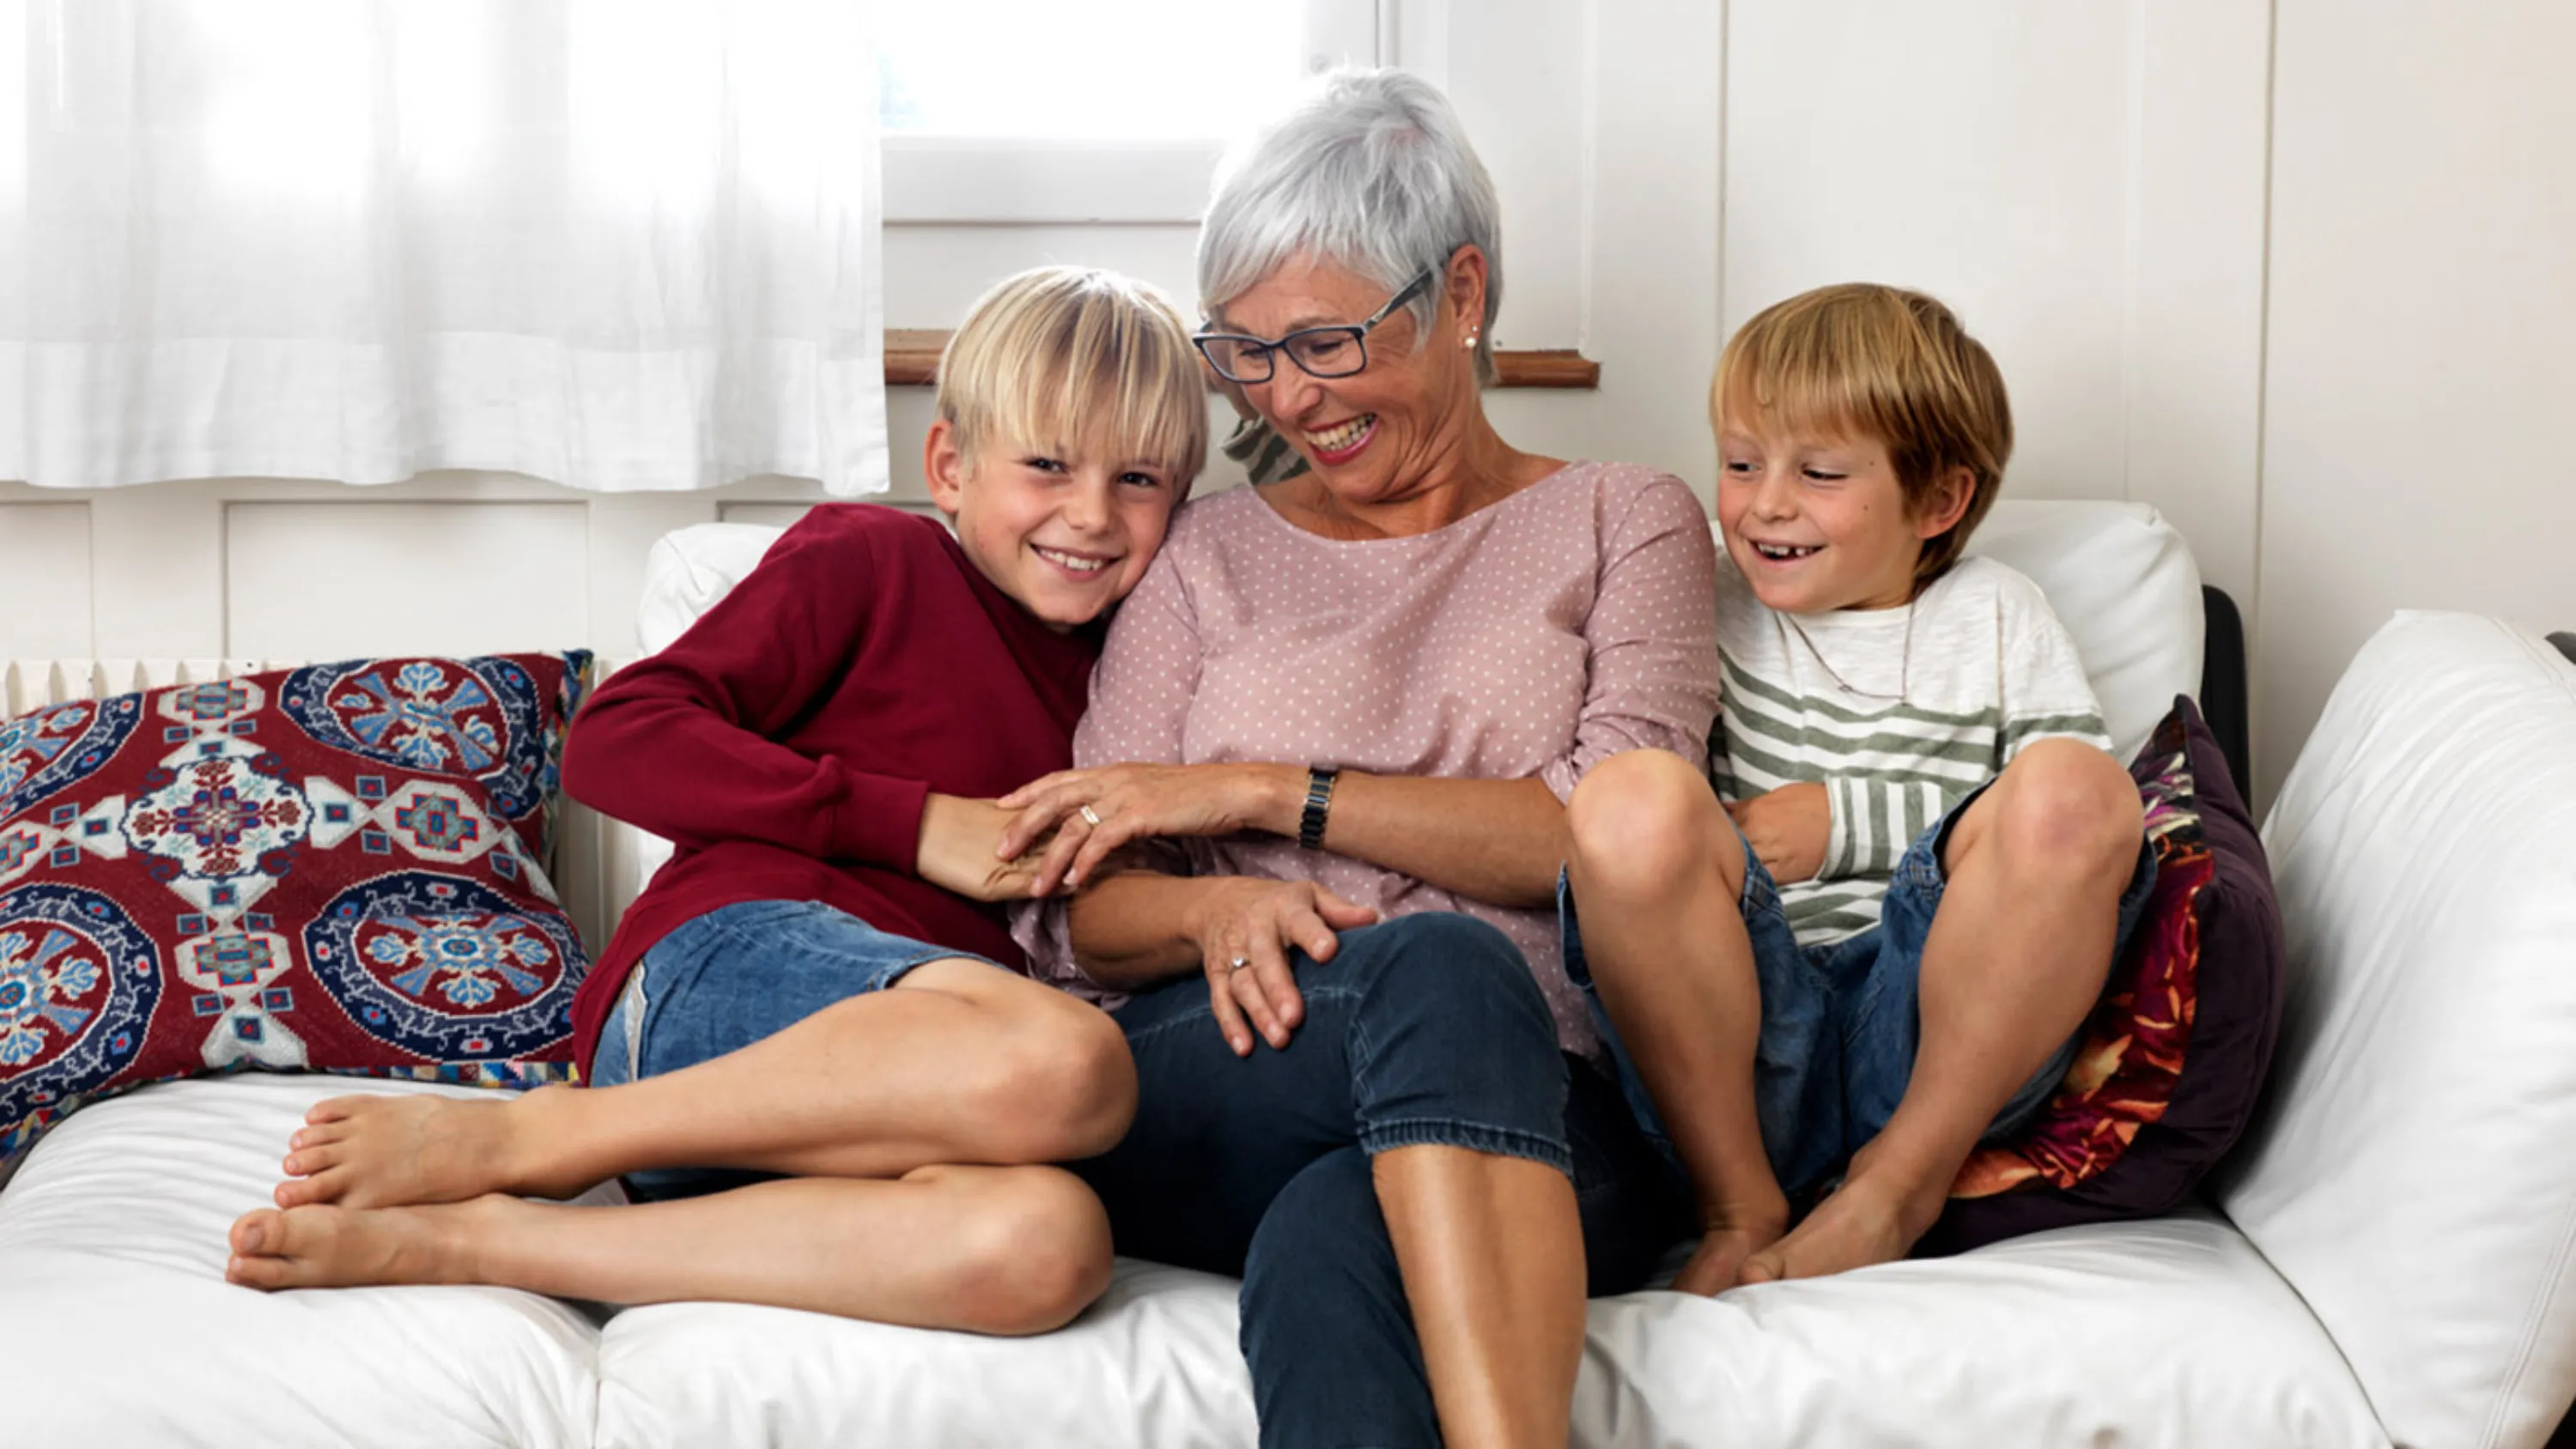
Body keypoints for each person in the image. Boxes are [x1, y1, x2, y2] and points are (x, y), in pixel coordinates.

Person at [222, 265, 1209, 1335]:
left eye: (1142, 479)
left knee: (1048, 1244)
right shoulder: (874, 560)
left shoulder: (1145, 679)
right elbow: (615, 741)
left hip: (872, 1122)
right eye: (1049, 465)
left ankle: (474, 1238)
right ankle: (535, 1136)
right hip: (717, 984)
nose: (1093, 514)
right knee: (1065, 1061)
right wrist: (918, 825)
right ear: (952, 466)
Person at [990, 70, 1717, 1449]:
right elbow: (1075, 900)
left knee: (1334, 1235)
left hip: (1550, 1105)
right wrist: (1210, 899)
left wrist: (1270, 793)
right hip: (1235, 1061)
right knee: (1441, 967)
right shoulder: (1200, 554)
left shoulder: (1631, 522)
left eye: (1324, 341)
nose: (1287, 397)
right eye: (1246, 353)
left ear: (1459, 295)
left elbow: (1608, 841)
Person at [1559, 282, 2157, 1298]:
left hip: (1936, 1029)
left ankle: (1894, 1189)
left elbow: (2081, 834)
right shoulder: (1694, 592)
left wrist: (1847, 822)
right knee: (1625, 797)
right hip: (1741, 1037)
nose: (1766, 502)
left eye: (1820, 471)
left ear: (1938, 501)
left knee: (2076, 785)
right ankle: (1737, 1201)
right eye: (1741, 462)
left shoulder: (2002, 616)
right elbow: (1653, 846)